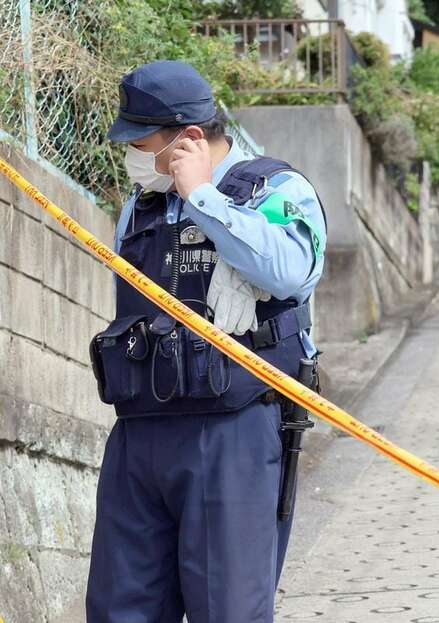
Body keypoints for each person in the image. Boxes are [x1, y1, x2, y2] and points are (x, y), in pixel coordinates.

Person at [85, 60, 327, 623]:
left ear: (190, 138)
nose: (134, 161)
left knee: (227, 608)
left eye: (143, 146)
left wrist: (204, 197)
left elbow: (294, 271)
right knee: (122, 606)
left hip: (232, 426)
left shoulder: (275, 188)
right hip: (140, 428)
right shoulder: (140, 205)